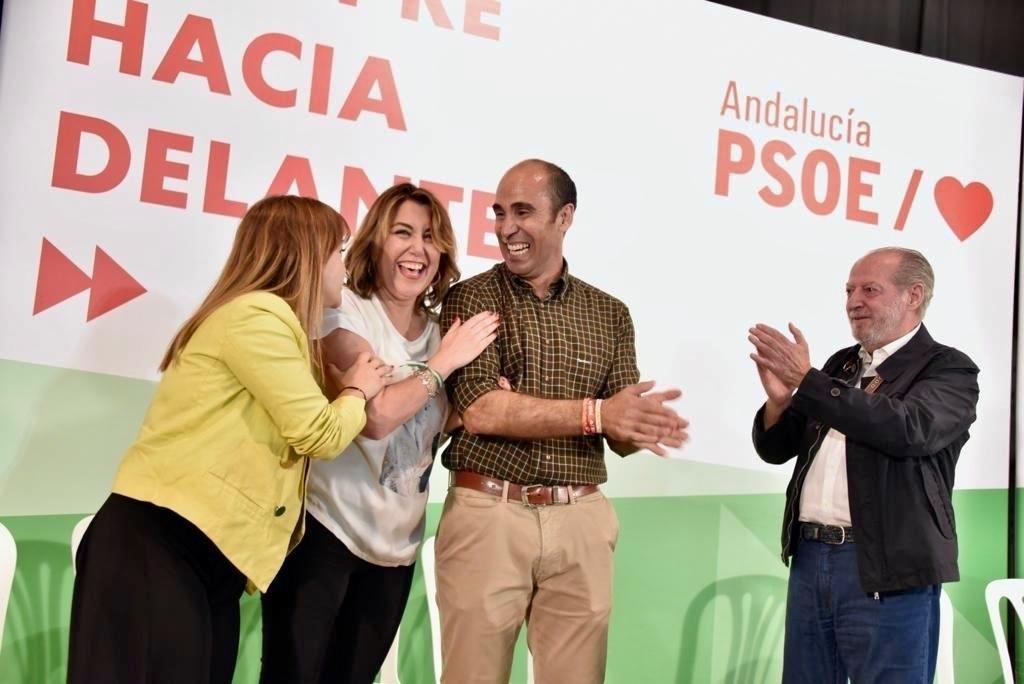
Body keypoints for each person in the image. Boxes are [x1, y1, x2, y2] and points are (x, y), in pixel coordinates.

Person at [67, 196, 391, 684]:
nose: (343, 268)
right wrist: (356, 390)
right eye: (337, 251)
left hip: (201, 554)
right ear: (306, 255)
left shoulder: (273, 325)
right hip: (159, 544)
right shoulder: (258, 317)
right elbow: (319, 434)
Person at [435, 159, 689, 683]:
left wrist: (642, 424)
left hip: (581, 519)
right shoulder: (473, 297)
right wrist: (598, 414)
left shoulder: (610, 313)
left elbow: (620, 434)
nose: (507, 228)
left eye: (522, 211)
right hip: (488, 512)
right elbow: (482, 409)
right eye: (500, 213)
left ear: (564, 216)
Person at [259, 183, 499, 683]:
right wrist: (446, 363)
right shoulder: (341, 309)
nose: (418, 249)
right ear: (375, 243)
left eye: (431, 237)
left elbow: (422, 427)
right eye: (403, 233)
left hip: (395, 551)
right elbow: (375, 418)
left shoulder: (439, 330)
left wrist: (472, 405)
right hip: (324, 536)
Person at [748, 247, 979, 683]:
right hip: (812, 557)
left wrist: (809, 382)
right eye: (849, 290)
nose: (854, 301)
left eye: (869, 290)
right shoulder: (842, 364)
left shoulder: (949, 369)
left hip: (887, 568)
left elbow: (909, 429)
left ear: (914, 295)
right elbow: (777, 447)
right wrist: (780, 402)